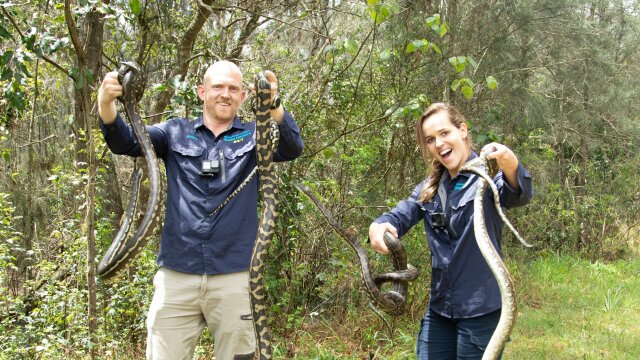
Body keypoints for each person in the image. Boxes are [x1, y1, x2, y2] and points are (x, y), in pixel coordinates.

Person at [97, 60, 304, 360]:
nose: (225, 94)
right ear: (201, 91)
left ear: (244, 97)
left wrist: (274, 105)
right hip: (177, 276)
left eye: (234, 89)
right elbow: (127, 142)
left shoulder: (253, 135)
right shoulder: (174, 132)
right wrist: (106, 102)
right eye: (218, 86)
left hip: (234, 276)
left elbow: (293, 147)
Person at [368, 102, 533, 359]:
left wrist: (510, 162)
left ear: (463, 131)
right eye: (431, 139)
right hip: (440, 311)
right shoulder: (429, 189)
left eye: (445, 133)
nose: (439, 143)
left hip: (481, 314)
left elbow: (518, 194)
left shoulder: (488, 180)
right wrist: (379, 225)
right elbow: (400, 215)